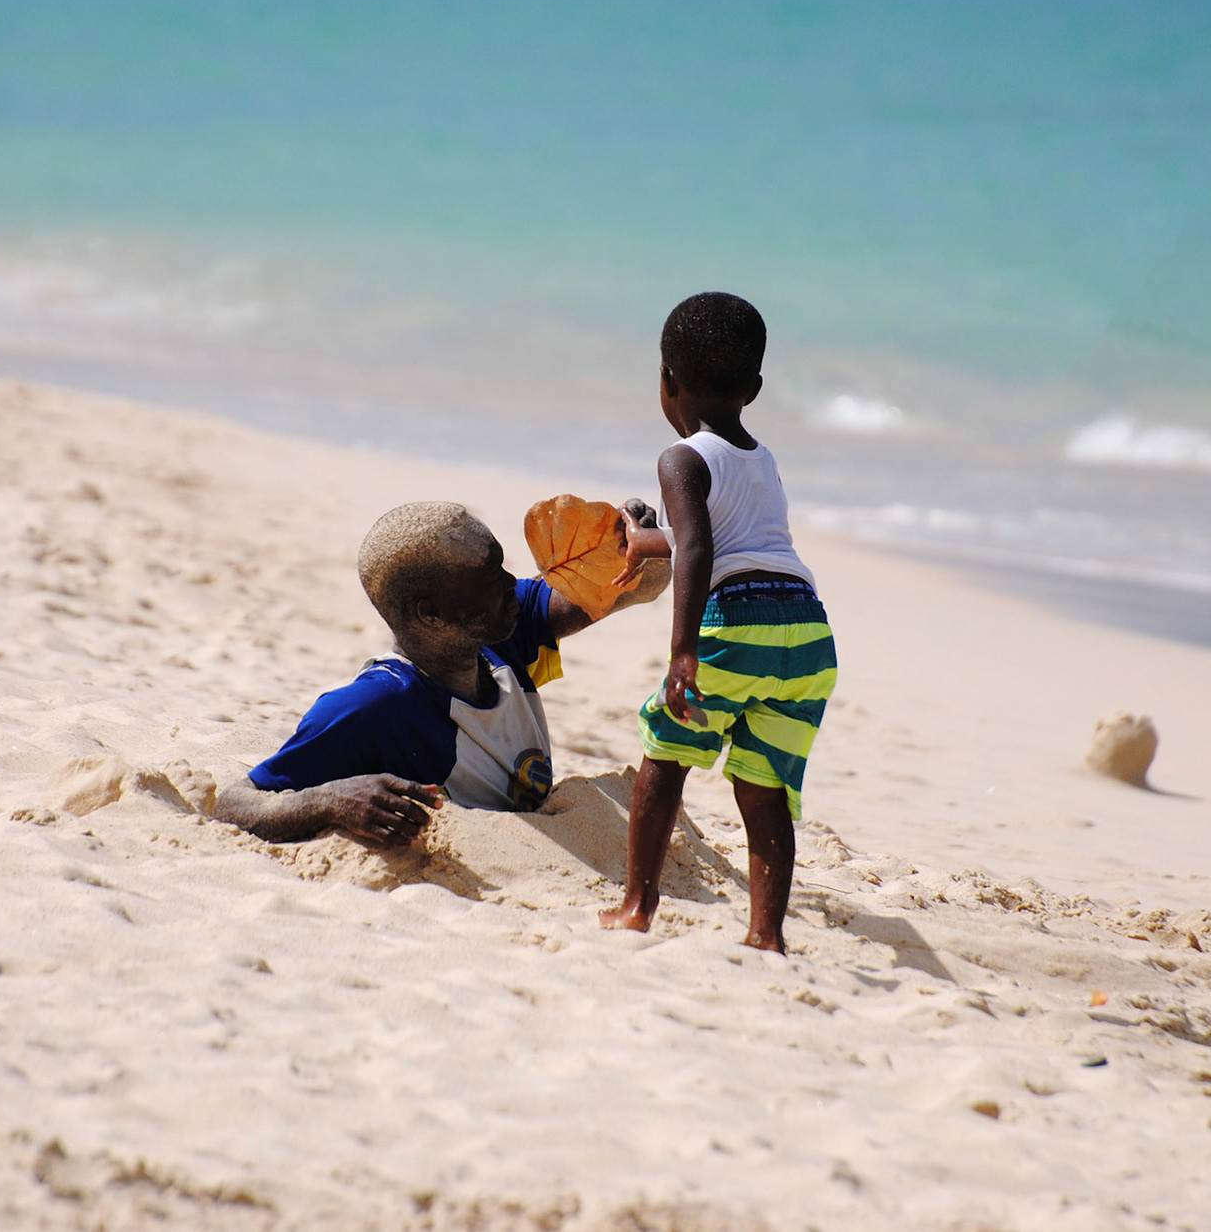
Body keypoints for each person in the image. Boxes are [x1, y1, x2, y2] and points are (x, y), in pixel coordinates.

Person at [599, 292, 837, 953]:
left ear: (667, 383)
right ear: (754, 389)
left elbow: (700, 548)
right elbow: (721, 538)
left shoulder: (680, 460)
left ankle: (636, 908)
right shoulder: (763, 460)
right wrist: (644, 537)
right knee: (764, 785)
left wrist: (684, 651)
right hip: (806, 633)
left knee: (665, 755)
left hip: (735, 622)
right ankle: (767, 933)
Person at [214, 501, 667, 846]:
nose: (513, 583)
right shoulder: (373, 707)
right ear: (431, 613)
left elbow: (640, 588)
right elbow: (235, 803)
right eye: (492, 578)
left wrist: (636, 545)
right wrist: (331, 801)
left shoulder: (501, 631)